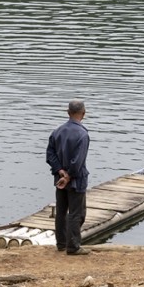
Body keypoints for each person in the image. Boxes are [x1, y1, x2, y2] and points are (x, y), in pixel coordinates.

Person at [46, 99, 91, 255]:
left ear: (68, 112)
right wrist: (69, 175)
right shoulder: (82, 134)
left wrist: (60, 171)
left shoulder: (57, 131)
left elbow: (50, 154)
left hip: (60, 180)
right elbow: (78, 161)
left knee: (61, 210)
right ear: (83, 114)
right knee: (76, 213)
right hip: (75, 180)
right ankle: (73, 246)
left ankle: (61, 243)